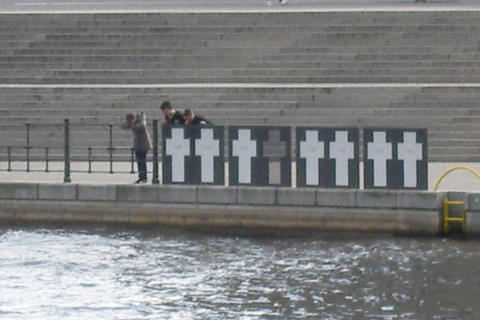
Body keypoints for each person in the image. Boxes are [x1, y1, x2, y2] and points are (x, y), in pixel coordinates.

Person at [121, 112, 152, 183]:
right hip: (137, 145)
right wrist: (128, 123)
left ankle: (144, 177)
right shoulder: (132, 123)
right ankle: (141, 177)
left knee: (142, 161)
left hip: (144, 144)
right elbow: (123, 125)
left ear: (134, 119)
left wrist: (133, 126)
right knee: (139, 161)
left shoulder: (140, 120)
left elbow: (143, 125)